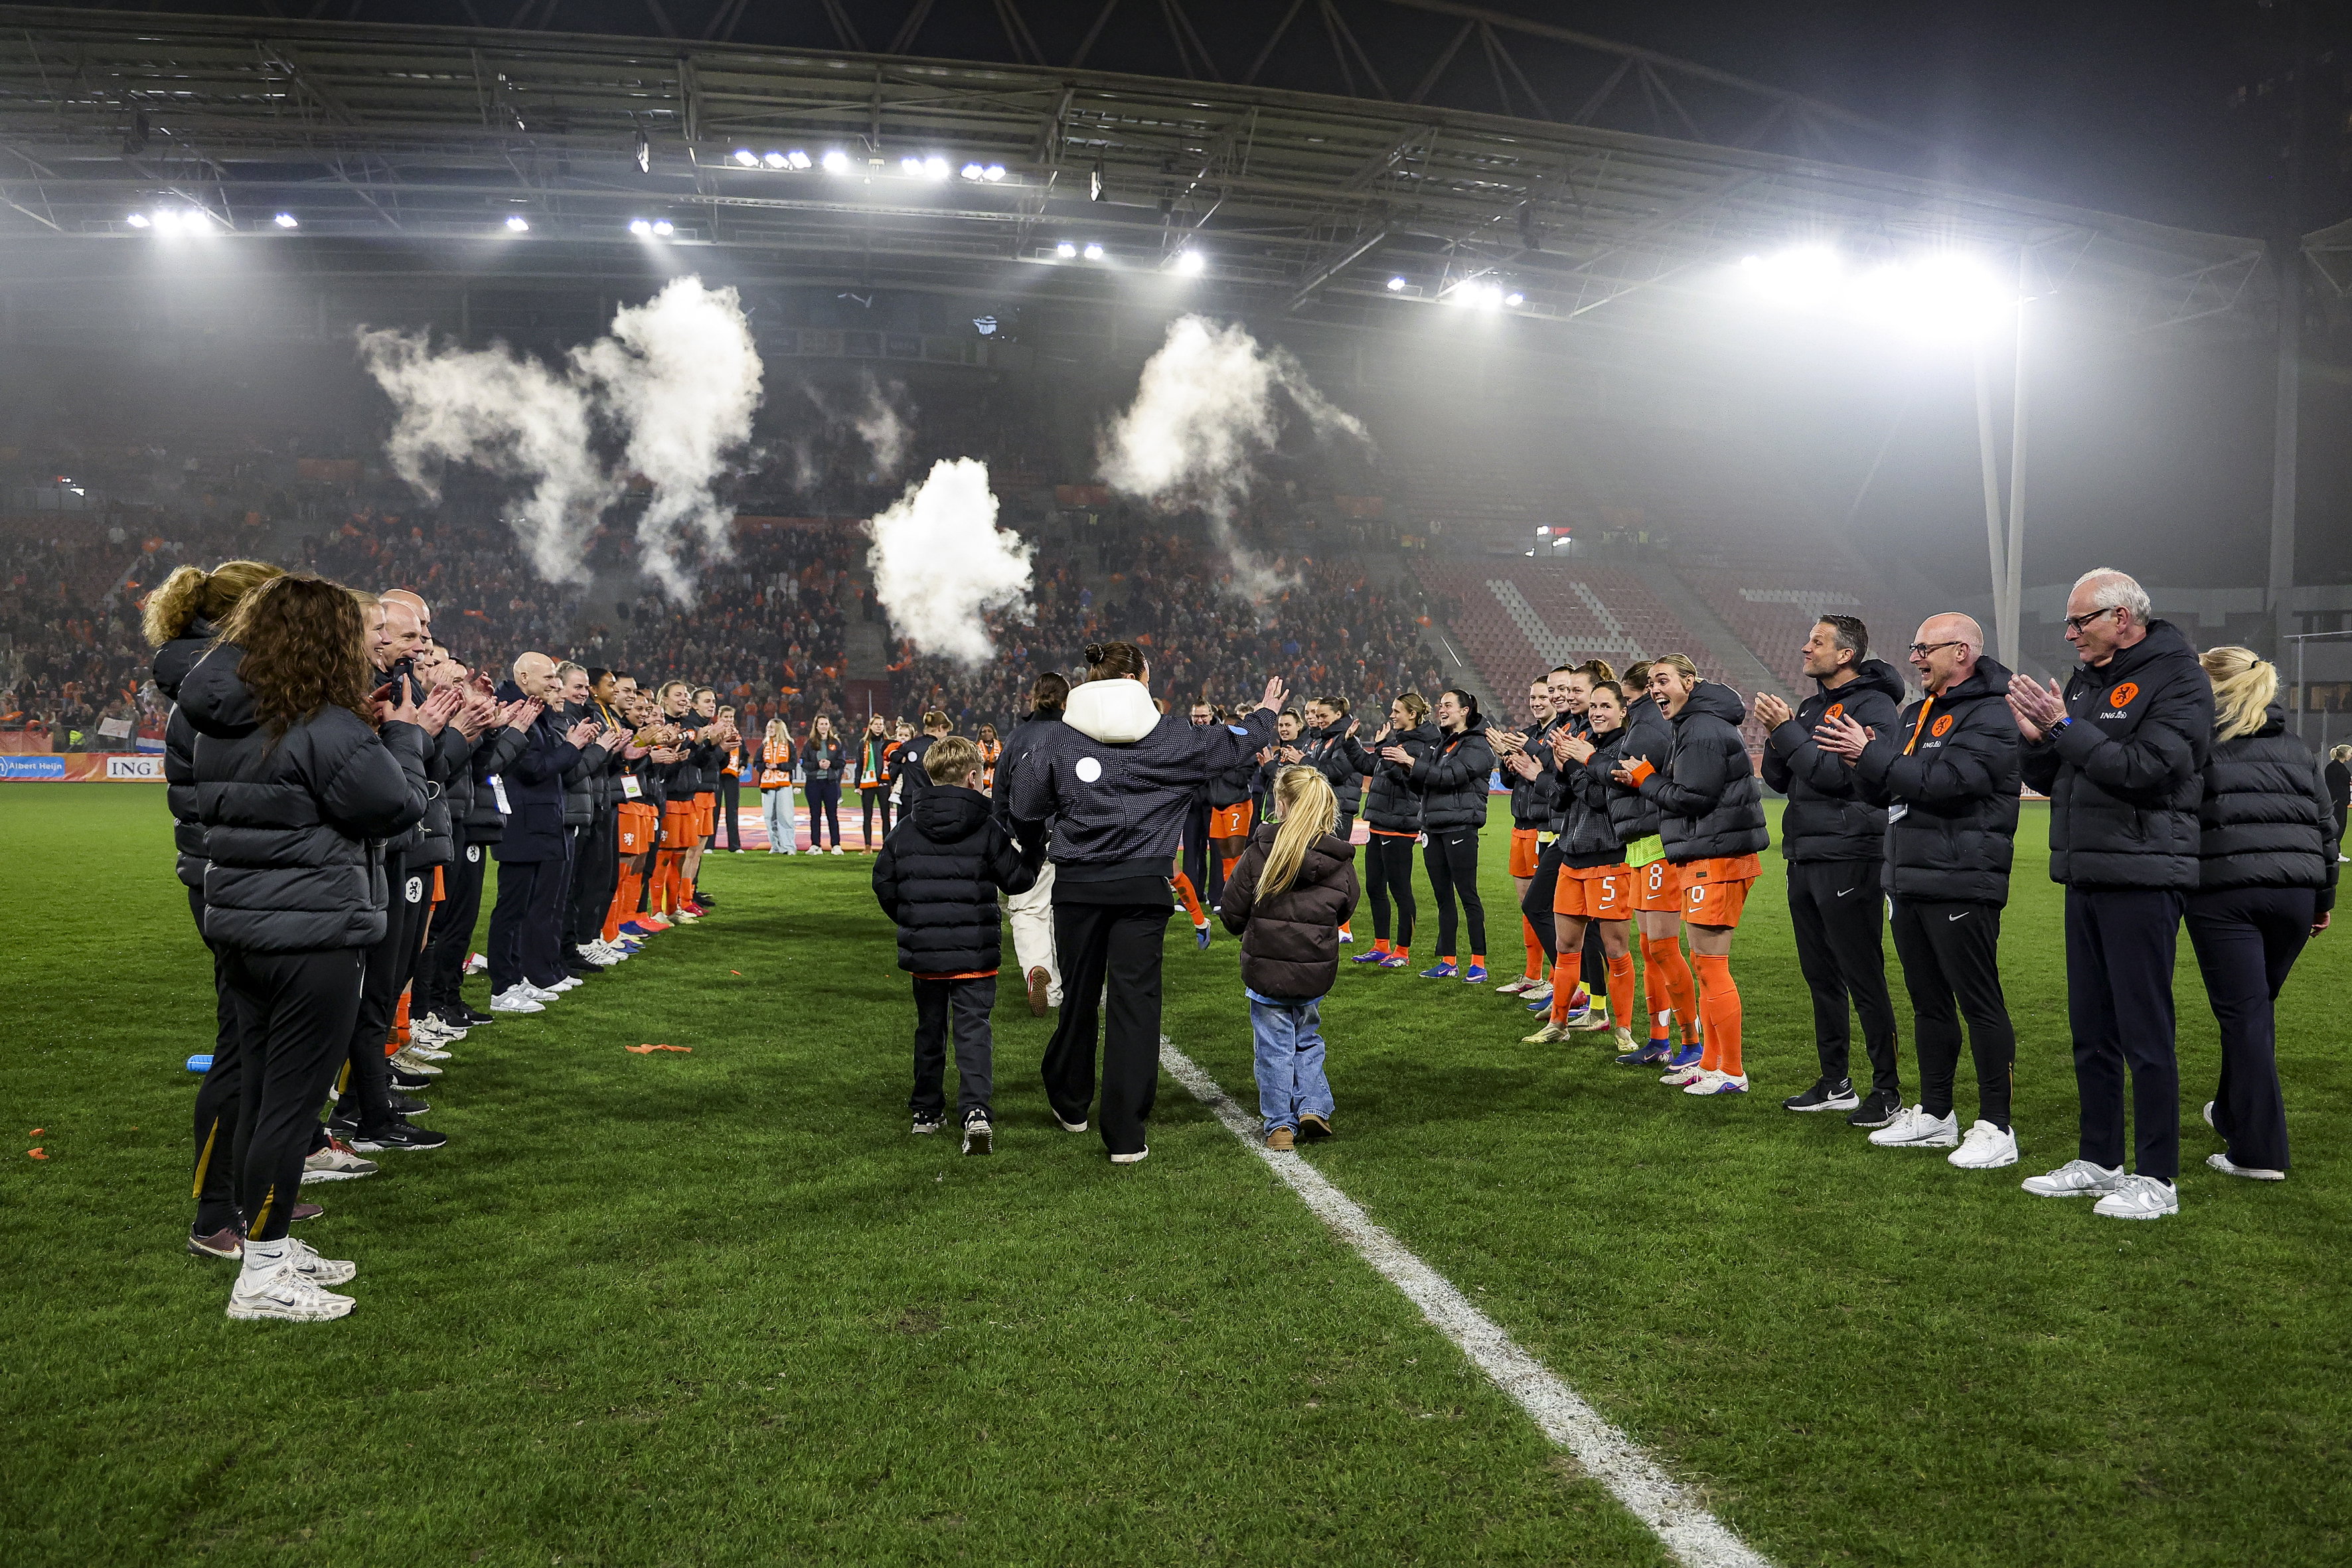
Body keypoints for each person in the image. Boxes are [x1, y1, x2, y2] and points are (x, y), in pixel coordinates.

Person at [179, 574, 450, 1320]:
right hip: (314, 934)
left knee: (263, 1094)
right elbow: (393, 804)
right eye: (359, 634)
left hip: (245, 927)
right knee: (289, 1110)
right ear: (326, 641)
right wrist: (400, 735)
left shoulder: (223, 717)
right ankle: (263, 1276)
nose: (371, 646)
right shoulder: (326, 724)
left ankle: (265, 1246)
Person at [1010, 640, 1283, 1163]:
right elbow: (1237, 745)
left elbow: (1025, 804)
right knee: (1136, 1008)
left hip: (1077, 887)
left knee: (1080, 997)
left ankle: (1070, 1103)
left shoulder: (1057, 738)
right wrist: (1267, 715)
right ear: (1142, 675)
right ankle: (1126, 1136)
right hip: (1141, 886)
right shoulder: (1175, 735)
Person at [2011, 568, 2213, 1219]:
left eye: (2080, 621)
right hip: (2087, 871)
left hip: (2145, 872)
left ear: (2122, 617)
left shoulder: (2178, 676)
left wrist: (2066, 728)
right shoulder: (2087, 679)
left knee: (2145, 1034)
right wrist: (2036, 739)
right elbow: (2059, 774)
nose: (2069, 633)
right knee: (2091, 1030)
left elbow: (2149, 769)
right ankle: (2100, 1158)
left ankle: (2158, 1178)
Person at [146, 559, 312, 1254]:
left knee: (263, 1048)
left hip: (239, 880)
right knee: (241, 1051)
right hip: (236, 885)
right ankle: (214, 1215)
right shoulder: (217, 686)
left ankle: (253, 1190)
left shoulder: (219, 679)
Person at [1823, 613, 2023, 1165]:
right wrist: (1861, 757)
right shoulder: (1917, 713)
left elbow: (1949, 784)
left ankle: (1996, 1127)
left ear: (1960, 652)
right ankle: (1936, 1114)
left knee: (1978, 1004)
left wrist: (1875, 756)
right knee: (1928, 1004)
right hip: (1908, 876)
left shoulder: (1991, 711)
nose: (1913, 658)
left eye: (1923, 648)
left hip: (1962, 876)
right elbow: (1882, 792)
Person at [2181, 646, 2336, 1181]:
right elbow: (2325, 827)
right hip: (2294, 897)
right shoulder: (2296, 748)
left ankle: (2257, 1153)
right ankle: (2230, 1112)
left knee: (2244, 1017)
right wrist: (2323, 900)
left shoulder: (2199, 743)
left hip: (2224, 895)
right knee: (2253, 1013)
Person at [1754, 615, 1906, 1120]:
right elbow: (1781, 776)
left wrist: (1785, 733)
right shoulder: (1811, 706)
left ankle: (1886, 1090)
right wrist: (1781, 735)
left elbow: (1840, 778)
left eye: (1816, 642)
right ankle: (1835, 1081)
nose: (1804, 648)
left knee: (1862, 975)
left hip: (1850, 851)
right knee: (1820, 976)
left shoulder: (1875, 706)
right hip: (1804, 852)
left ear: (1845, 654)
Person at [873, 734, 1040, 1156]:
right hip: (974, 950)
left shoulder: (905, 829)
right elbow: (1017, 880)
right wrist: (1036, 847)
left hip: (925, 951)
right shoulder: (986, 827)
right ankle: (976, 1112)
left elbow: (884, 883)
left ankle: (926, 1112)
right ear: (972, 777)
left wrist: (913, 918)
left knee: (929, 1030)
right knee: (973, 1032)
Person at [1615, 655, 1768, 1095]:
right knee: (1704, 966)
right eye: (1651, 684)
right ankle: (1711, 1063)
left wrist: (1645, 778)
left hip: (1717, 857)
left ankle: (1731, 1071)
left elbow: (1692, 798)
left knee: (1712, 966)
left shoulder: (1701, 728)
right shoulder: (1697, 723)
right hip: (1710, 855)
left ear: (1688, 681)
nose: (1655, 690)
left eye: (1663, 681)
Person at [1220, 765, 1360, 1150]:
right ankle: (1314, 1105)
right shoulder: (1339, 860)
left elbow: (1232, 912)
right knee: (1307, 1037)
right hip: (1313, 969)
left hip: (1267, 968)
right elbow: (1345, 908)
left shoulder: (1259, 853)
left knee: (1273, 1046)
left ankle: (1280, 1124)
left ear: (1280, 803)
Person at [1523, 680, 1637, 1049]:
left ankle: (1623, 1029)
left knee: (1616, 949)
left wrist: (1575, 763)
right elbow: (1561, 799)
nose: (1598, 713)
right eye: (1595, 707)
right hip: (1571, 858)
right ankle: (1559, 1022)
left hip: (1607, 860)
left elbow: (1599, 796)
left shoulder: (1625, 748)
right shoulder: (1582, 742)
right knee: (1566, 945)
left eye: (1606, 706)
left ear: (1623, 711)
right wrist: (1558, 767)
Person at [488, 653, 604, 1014]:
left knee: (528, 907)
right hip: (522, 824)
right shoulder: (514, 712)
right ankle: (503, 985)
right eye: (550, 676)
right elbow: (536, 769)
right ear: (524, 677)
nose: (556, 682)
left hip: (538, 822)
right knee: (513, 909)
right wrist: (574, 746)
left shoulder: (534, 711)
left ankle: (520, 976)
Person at [1397, 689, 1494, 981]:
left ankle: (1478, 963)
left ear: (1465, 710)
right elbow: (1425, 786)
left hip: (1460, 826)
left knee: (1468, 896)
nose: (1441, 709)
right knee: (1443, 898)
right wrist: (1406, 769)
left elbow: (1451, 777)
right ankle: (1449, 960)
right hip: (1433, 827)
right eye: (1440, 705)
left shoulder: (1478, 744)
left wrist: (1415, 765)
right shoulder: (1442, 743)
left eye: (1448, 705)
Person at [993, 672, 1070, 1015]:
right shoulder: (1077, 736)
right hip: (1073, 839)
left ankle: (1039, 972)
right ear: (1066, 702)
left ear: (1032, 699)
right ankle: (1067, 981)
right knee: (1067, 913)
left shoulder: (1017, 737)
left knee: (1028, 911)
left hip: (1027, 838)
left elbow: (1001, 794)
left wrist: (1001, 837)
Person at [1355, 692, 1435, 969]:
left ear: (1412, 714)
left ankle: (1403, 950)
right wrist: (1355, 744)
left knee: (1400, 890)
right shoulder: (1395, 741)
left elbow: (1411, 780)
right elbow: (1371, 767)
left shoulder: (1424, 744)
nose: (1392, 715)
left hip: (1400, 824)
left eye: (1397, 711)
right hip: (1378, 821)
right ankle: (1381, 945)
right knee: (1374, 886)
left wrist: (1391, 754)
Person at [1494, 677, 1561, 996]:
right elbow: (1510, 780)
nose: (1536, 702)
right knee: (1528, 904)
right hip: (1519, 825)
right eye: (1532, 697)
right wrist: (1505, 756)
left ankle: (1555, 977)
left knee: (1546, 905)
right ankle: (1532, 974)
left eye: (1543, 696)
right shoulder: (1531, 734)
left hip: (1542, 827)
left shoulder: (1555, 737)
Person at [803, 712, 846, 852]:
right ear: (816, 726)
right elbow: (804, 763)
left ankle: (836, 845)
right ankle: (816, 845)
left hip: (830, 783)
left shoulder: (835, 743)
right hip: (813, 783)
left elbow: (841, 762)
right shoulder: (809, 744)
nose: (823, 726)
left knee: (832, 815)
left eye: (826, 724)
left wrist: (830, 763)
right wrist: (818, 764)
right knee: (815, 815)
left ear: (829, 726)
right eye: (821, 724)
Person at [854, 712, 895, 848]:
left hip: (884, 784)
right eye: (876, 724)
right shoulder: (863, 744)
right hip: (867, 784)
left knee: (886, 815)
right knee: (867, 816)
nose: (879, 727)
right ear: (870, 726)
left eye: (881, 725)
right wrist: (857, 784)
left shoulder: (889, 743)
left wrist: (893, 784)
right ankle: (867, 846)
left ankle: (887, 845)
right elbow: (859, 765)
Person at [758, 718, 798, 852]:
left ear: (779, 729)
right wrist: (765, 766)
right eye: (768, 727)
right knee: (769, 816)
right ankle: (776, 846)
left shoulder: (789, 745)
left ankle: (788, 846)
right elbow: (757, 763)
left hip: (784, 784)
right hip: (767, 785)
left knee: (785, 816)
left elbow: (793, 764)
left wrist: (779, 766)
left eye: (772, 727)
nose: (769, 729)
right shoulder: (764, 745)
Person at [2327, 744, 2350, 860]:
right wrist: (2336, 799)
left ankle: (2336, 852)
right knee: (2338, 827)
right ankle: (2335, 853)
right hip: (2337, 802)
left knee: (2341, 827)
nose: (2351, 755)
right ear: (2345, 754)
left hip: (2341, 802)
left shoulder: (2338, 767)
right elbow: (2332, 785)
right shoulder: (2334, 767)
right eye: (2350, 753)